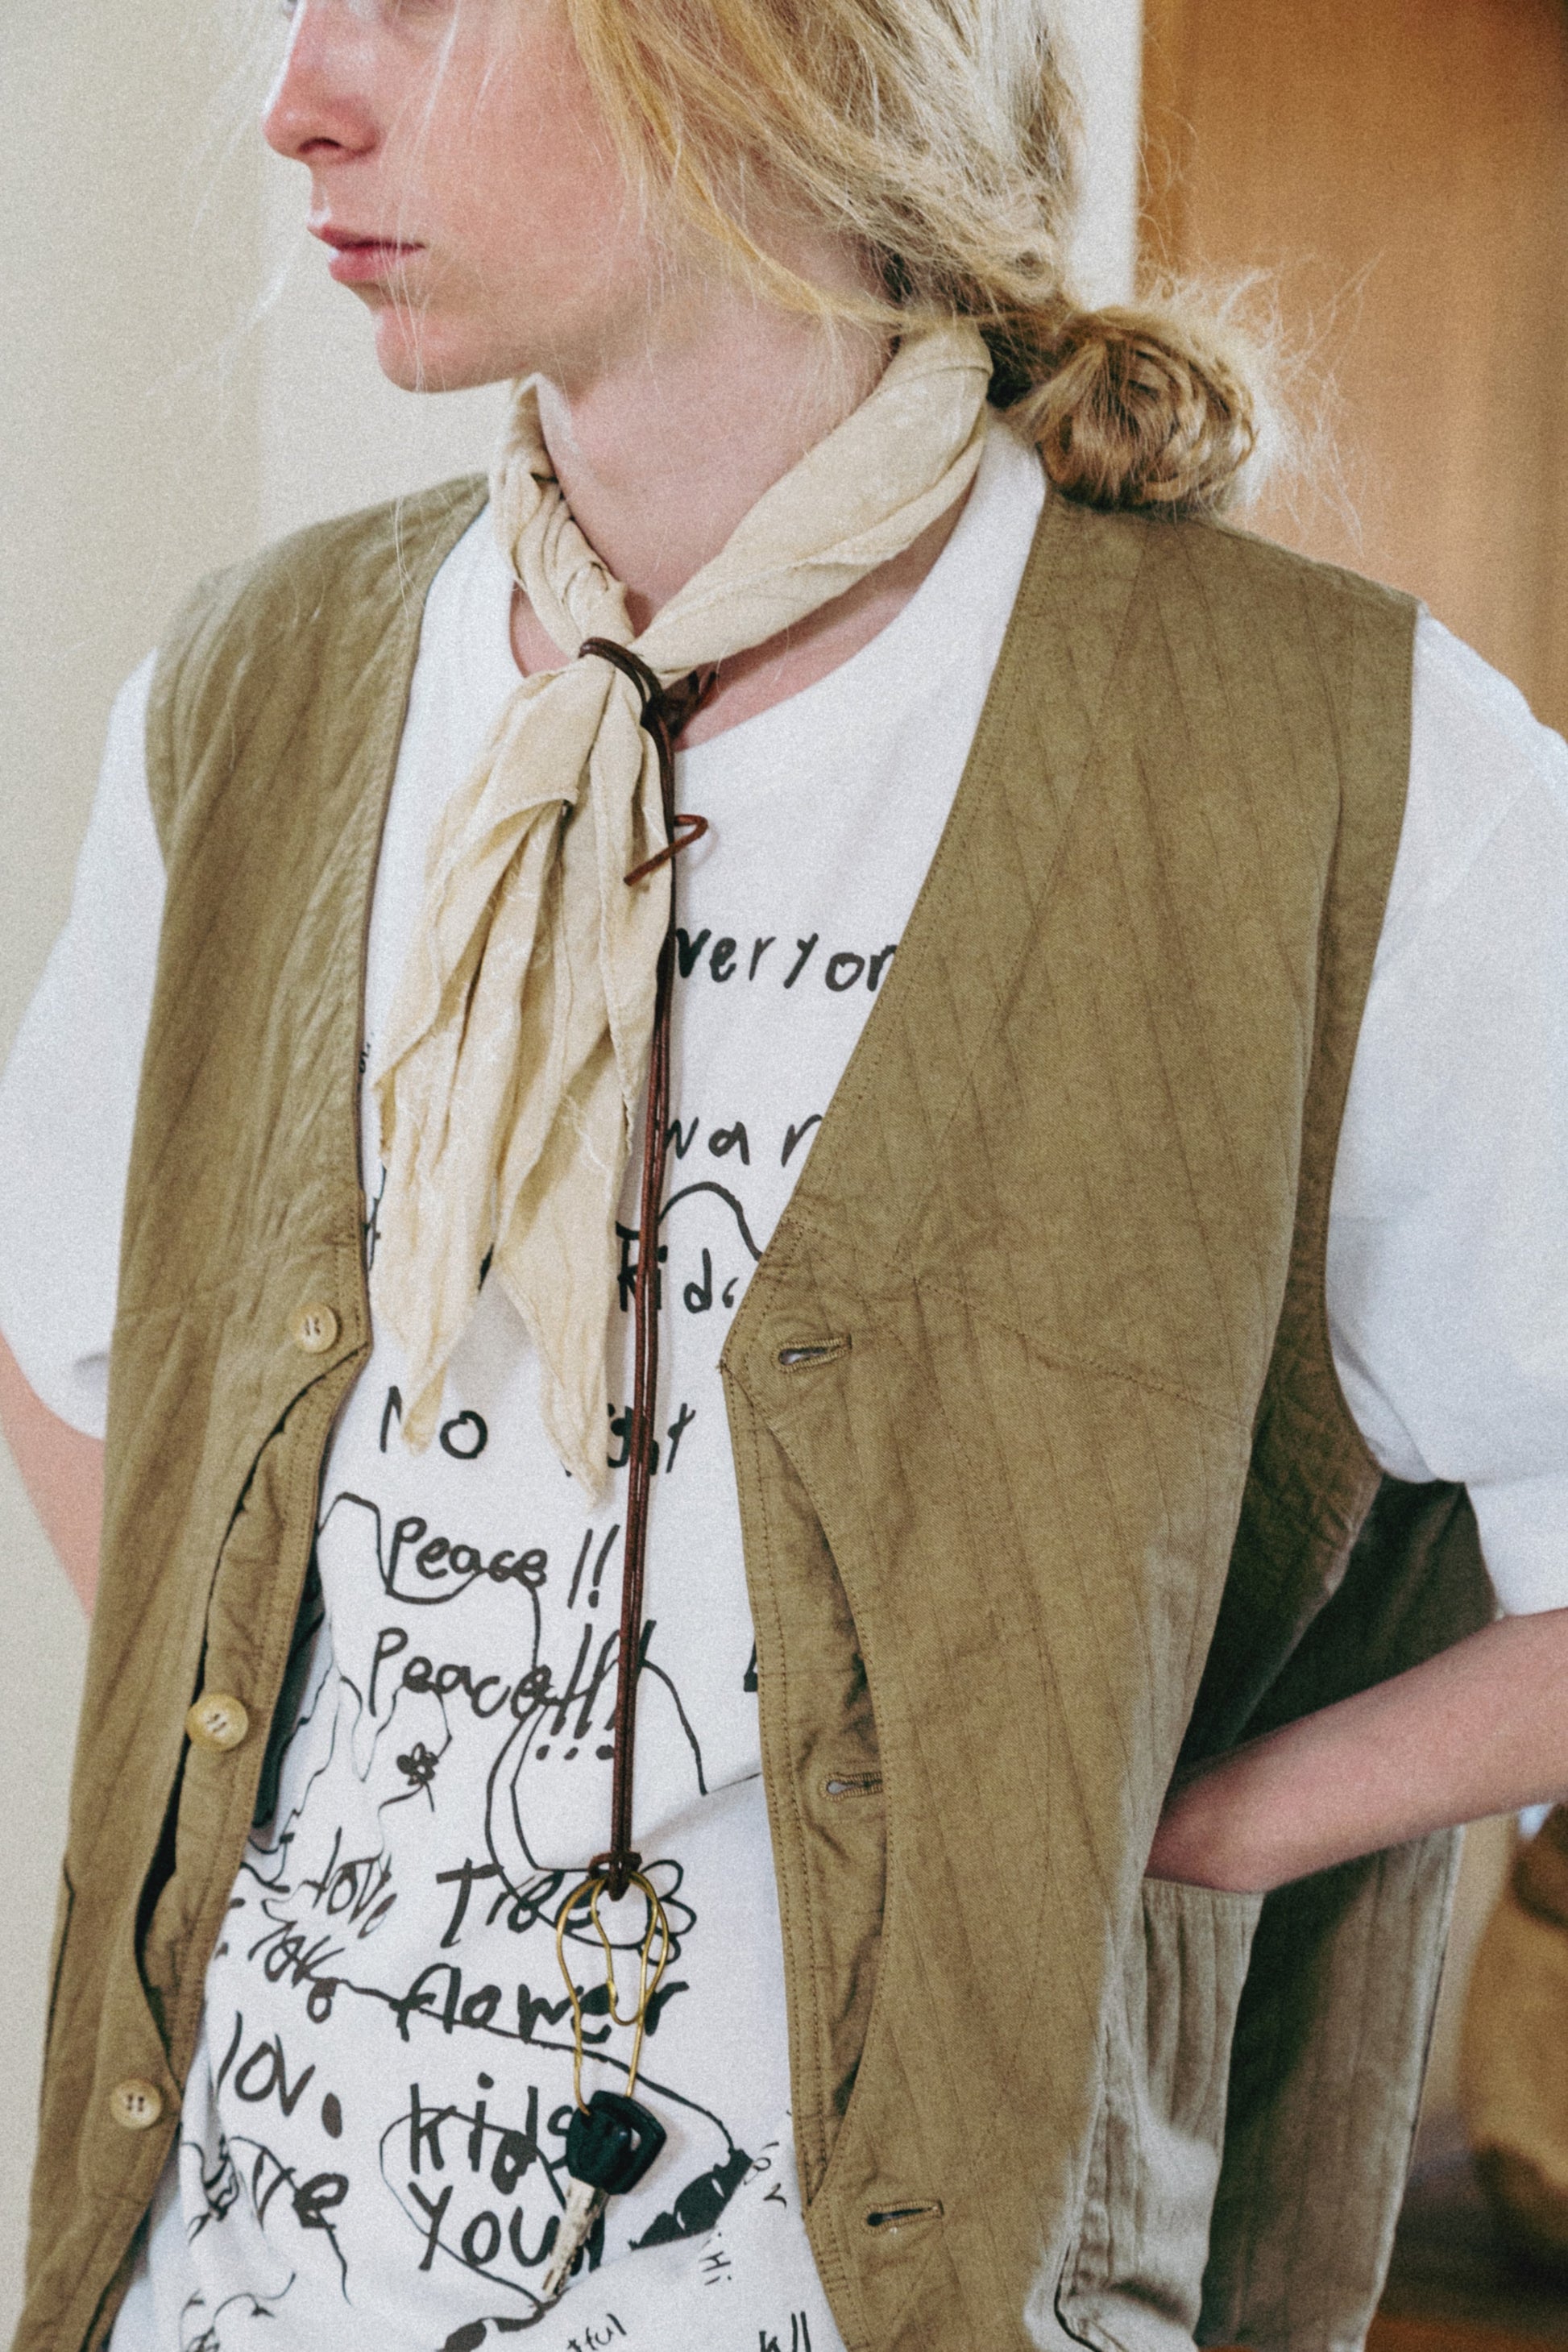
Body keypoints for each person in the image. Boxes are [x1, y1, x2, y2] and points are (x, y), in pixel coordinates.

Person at [5, 1, 1568, 2346]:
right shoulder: (264, 682)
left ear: (770, 51)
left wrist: (1181, 1842)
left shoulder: (1337, 766)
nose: (302, 102)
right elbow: (63, 1319)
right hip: (238, 2265)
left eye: (421, 4)